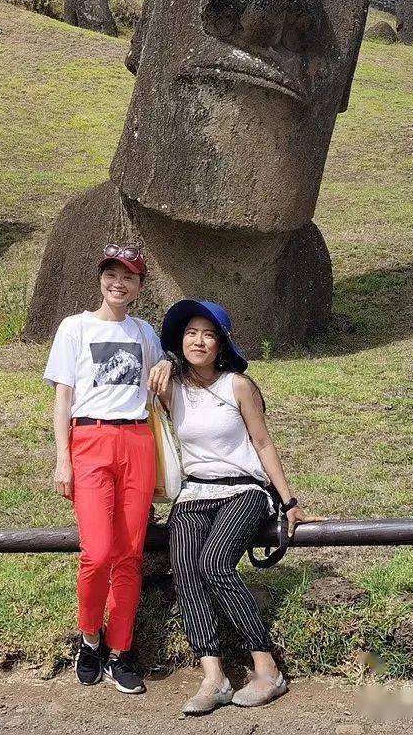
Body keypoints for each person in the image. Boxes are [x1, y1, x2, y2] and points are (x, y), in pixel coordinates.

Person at [150, 299, 317, 712]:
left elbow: (262, 443)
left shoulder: (237, 385)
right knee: (187, 571)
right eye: (191, 333)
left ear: (221, 344)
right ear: (179, 341)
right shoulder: (169, 387)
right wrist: (164, 366)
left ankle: (267, 668)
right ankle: (213, 677)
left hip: (244, 490)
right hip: (193, 493)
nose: (199, 341)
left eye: (209, 334)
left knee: (214, 565)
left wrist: (289, 501)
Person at [44, 244, 173, 694]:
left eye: (129, 277)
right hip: (91, 439)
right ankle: (89, 639)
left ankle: (121, 650)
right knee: (96, 552)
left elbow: (163, 373)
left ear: (140, 286)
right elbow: (63, 396)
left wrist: (167, 362)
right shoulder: (74, 328)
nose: (118, 284)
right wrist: (64, 456)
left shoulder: (143, 332)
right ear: (100, 278)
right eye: (111, 274)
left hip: (137, 440)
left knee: (130, 553)